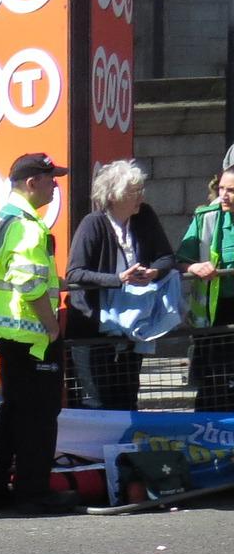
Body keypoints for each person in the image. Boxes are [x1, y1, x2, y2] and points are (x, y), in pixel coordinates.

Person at [0, 153, 78, 514]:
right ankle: (33, 491)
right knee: (38, 416)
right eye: (50, 178)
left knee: (8, 411)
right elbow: (28, 283)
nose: (55, 184)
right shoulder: (28, 226)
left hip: (2, 330)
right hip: (29, 334)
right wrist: (49, 324)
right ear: (32, 183)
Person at [64, 159, 176, 411]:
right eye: (133, 191)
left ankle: (123, 449)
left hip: (134, 324)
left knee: (127, 396)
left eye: (140, 190)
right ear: (114, 195)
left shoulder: (144, 216)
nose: (140, 197)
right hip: (93, 328)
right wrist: (119, 279)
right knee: (95, 400)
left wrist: (153, 272)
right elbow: (74, 273)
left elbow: (167, 256)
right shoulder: (92, 223)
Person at [178, 165, 234, 411]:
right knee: (213, 382)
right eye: (221, 188)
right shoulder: (206, 217)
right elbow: (180, 261)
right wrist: (195, 268)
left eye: (231, 190)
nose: (224, 195)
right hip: (214, 315)